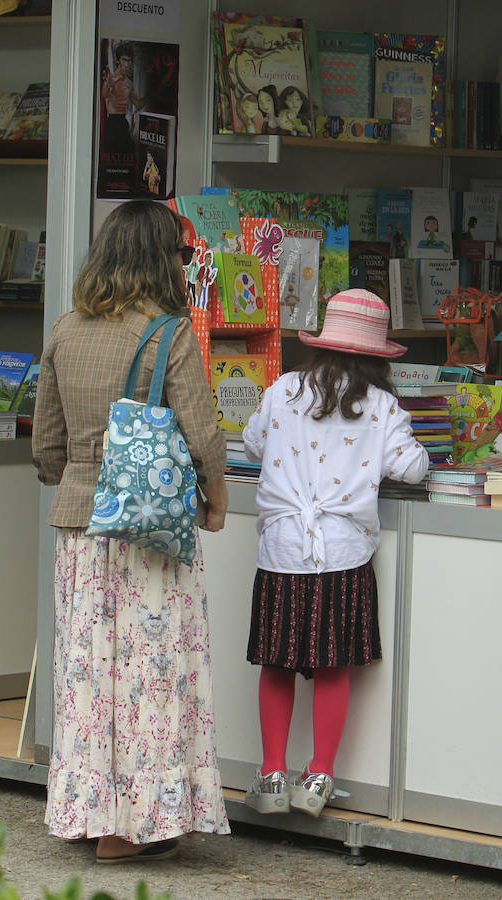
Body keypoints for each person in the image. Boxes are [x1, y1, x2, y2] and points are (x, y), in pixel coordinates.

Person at [32, 200, 230, 862]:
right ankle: (137, 825)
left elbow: (46, 449)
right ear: (160, 259)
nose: (184, 262)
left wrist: (83, 481)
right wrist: (216, 496)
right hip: (149, 535)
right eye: (179, 252)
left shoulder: (65, 330)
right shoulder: (168, 334)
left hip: (81, 531)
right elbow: (202, 433)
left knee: (89, 679)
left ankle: (93, 817)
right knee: (150, 679)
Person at [242, 289, 429, 817]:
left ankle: (272, 774)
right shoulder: (381, 406)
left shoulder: (282, 390)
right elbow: (412, 468)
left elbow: (254, 444)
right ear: (374, 354)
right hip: (343, 554)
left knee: (276, 663)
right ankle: (319, 778)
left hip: (281, 550)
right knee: (332, 666)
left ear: (323, 344)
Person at [101, 41, 146, 152]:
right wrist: (107, 83)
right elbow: (105, 95)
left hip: (123, 123)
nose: (127, 64)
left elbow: (138, 104)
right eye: (124, 60)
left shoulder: (129, 83)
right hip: (111, 123)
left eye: (129, 61)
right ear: (118, 61)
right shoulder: (110, 79)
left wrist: (151, 94)